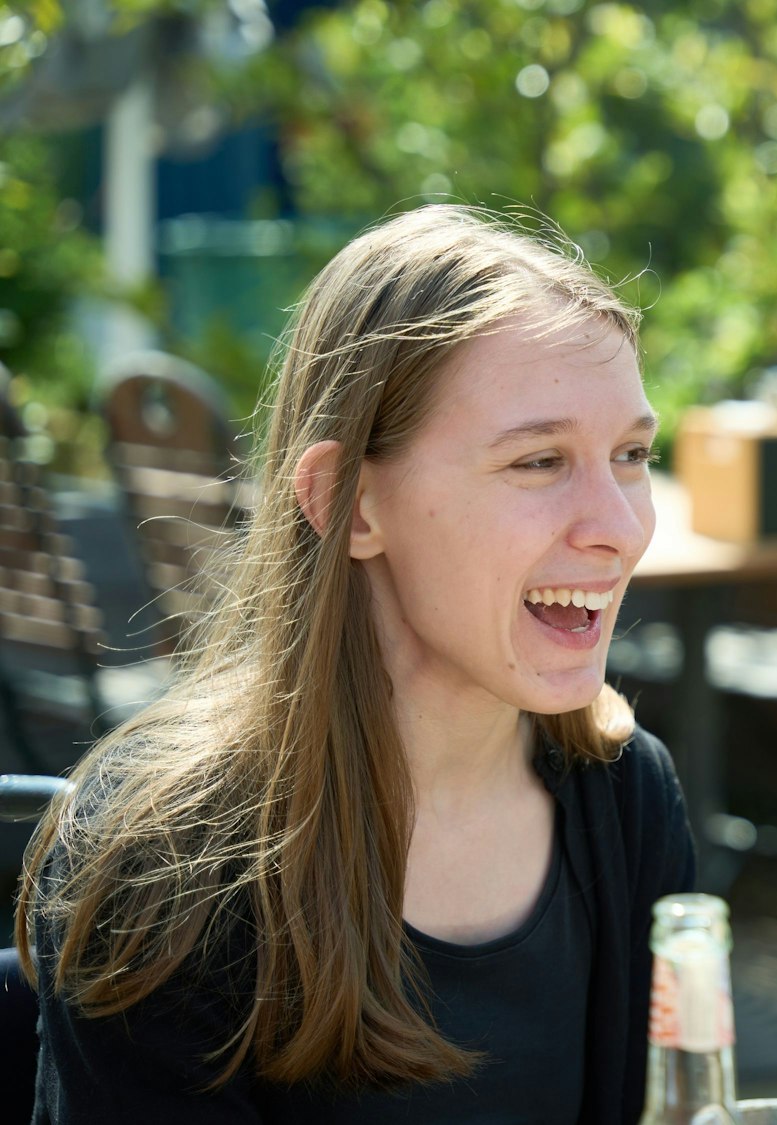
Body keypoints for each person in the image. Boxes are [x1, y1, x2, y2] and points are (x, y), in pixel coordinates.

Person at [16, 205, 693, 1122]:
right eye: (538, 461)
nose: (619, 526)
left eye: (631, 455)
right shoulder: (164, 866)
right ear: (349, 501)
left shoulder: (624, 796)